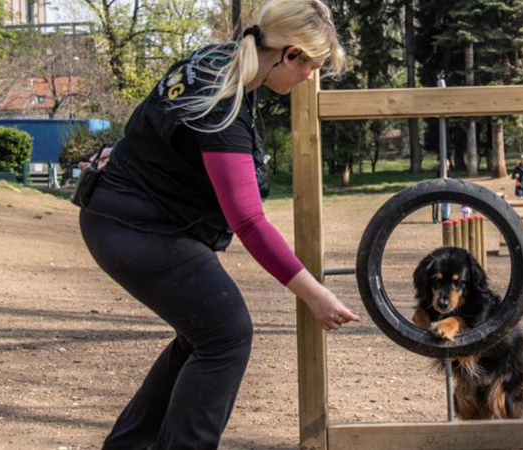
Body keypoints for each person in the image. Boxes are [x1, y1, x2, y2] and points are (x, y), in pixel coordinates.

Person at [76, 1, 360, 448]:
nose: (311, 77)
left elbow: (156, 128)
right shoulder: (224, 104)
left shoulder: (218, 61)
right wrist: (314, 293)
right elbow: (247, 220)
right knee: (227, 334)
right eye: (313, 66)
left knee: (204, 334)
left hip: (125, 214)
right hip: (136, 228)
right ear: (289, 54)